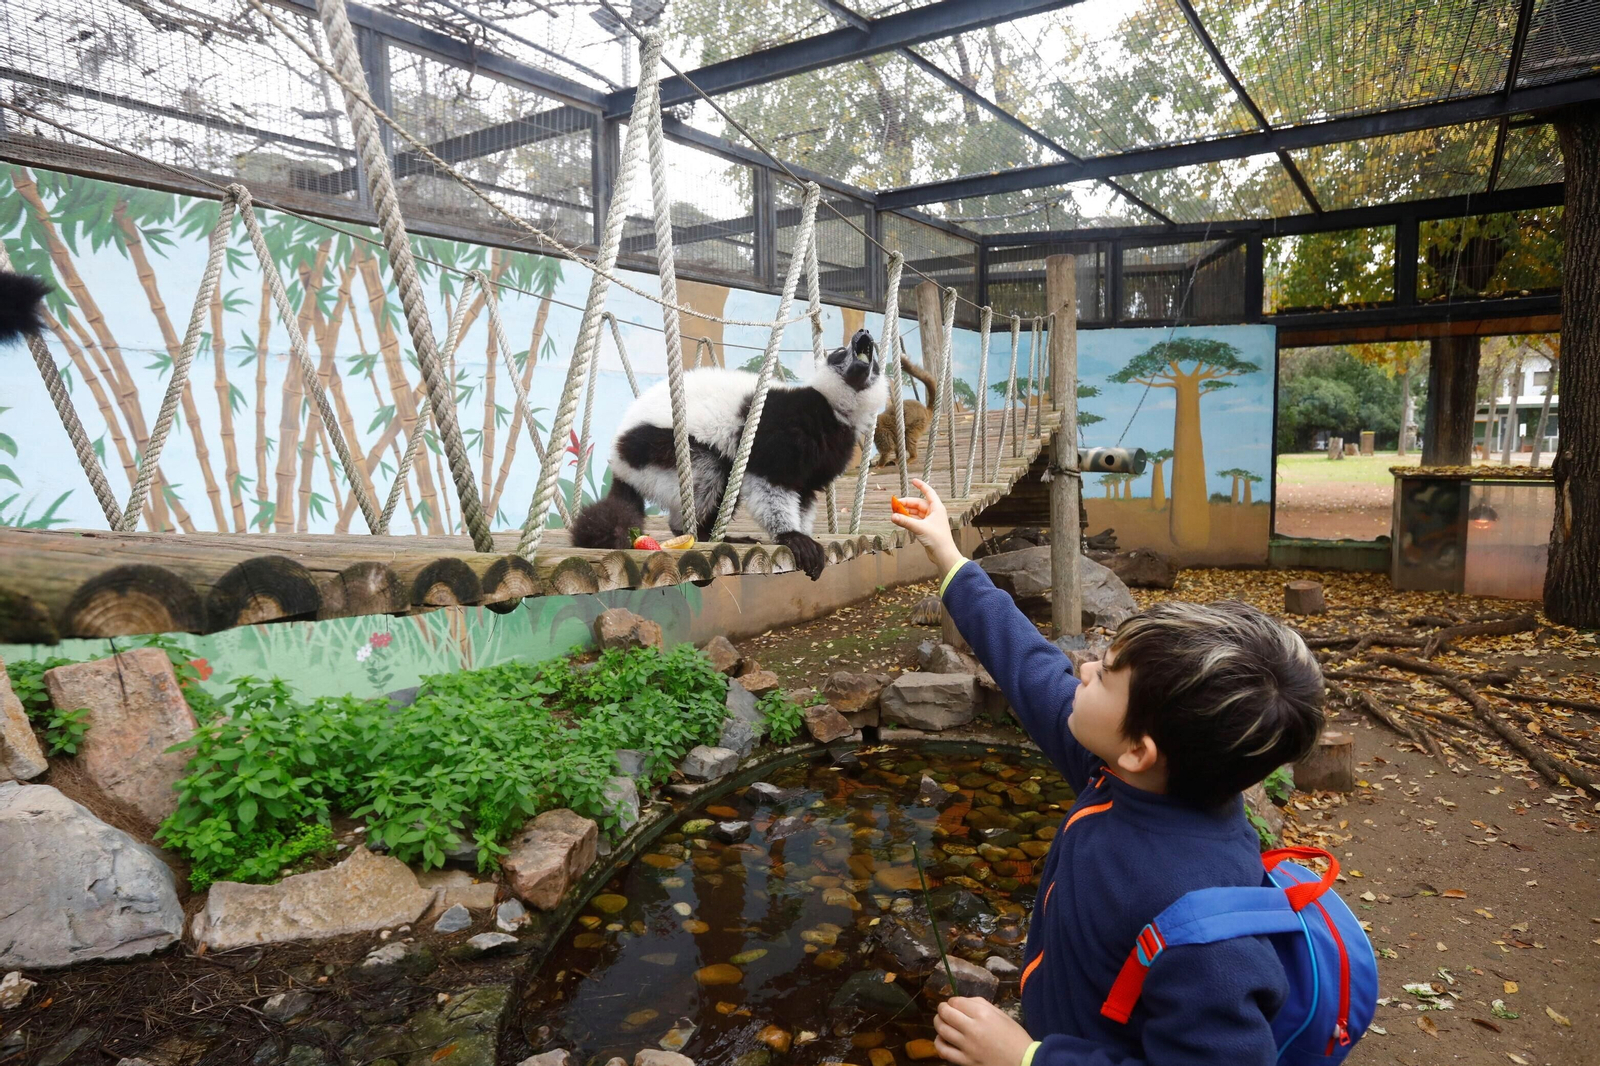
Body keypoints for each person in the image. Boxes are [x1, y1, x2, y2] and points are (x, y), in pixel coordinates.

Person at [888, 479, 1325, 1066]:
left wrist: (1028, 1058)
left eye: (1107, 671)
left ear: (1141, 750)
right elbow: (1027, 665)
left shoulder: (1203, 926)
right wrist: (949, 556)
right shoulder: (1126, 776)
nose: (1085, 668)